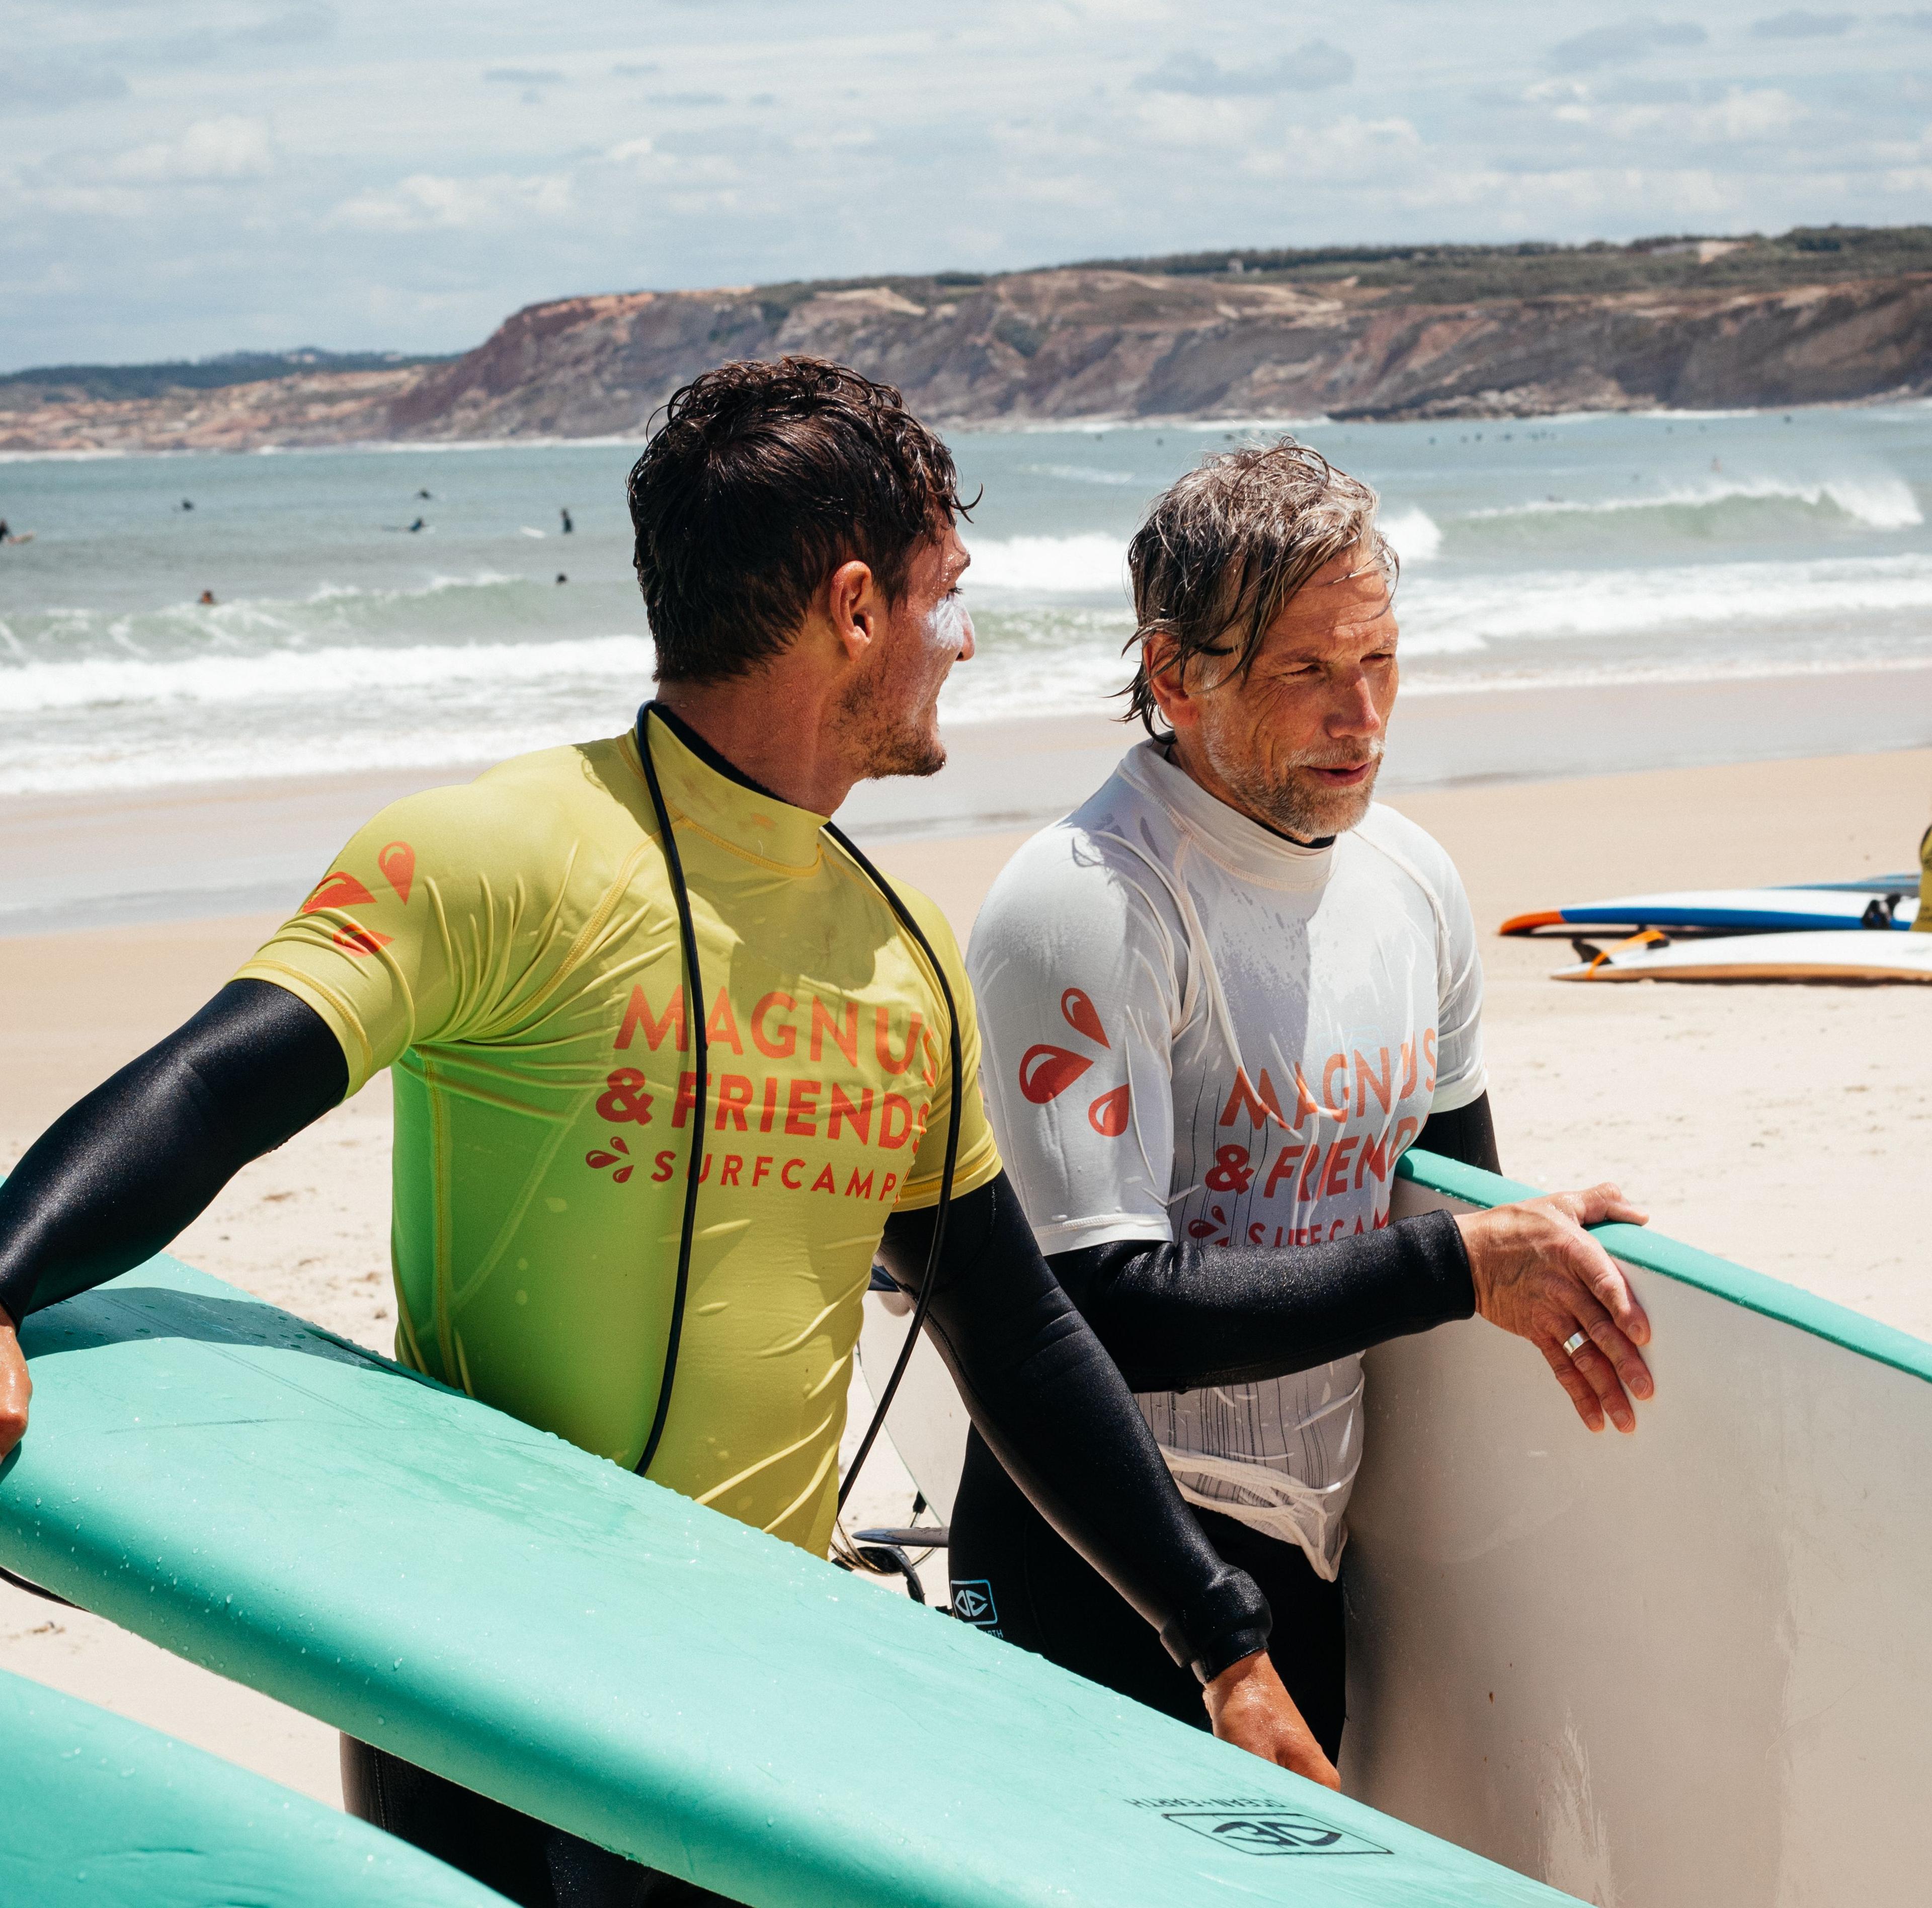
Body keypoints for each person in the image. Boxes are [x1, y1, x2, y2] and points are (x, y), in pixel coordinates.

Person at [2, 360, 1379, 1906]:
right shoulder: (501, 857)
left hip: (752, 1700)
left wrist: (1224, 1647)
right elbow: (211, 1089)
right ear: (856, 608)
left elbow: (1012, 1330)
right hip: (476, 1684)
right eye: (947, 593)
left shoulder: (901, 953)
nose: (964, 638)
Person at [956, 439, 1655, 1768]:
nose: (1365, 716)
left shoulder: (1414, 883)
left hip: (1315, 1549)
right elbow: (1092, 1311)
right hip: (1100, 1557)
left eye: (1380, 660)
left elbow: (1442, 1196)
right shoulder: (1084, 907)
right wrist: (1458, 1264)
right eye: (1308, 673)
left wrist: (1530, 1239)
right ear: (1175, 676)